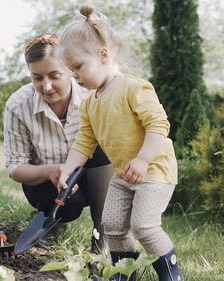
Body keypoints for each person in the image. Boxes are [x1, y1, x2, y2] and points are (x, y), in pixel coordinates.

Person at [56, 6, 184, 281]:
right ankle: (124, 274)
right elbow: (83, 144)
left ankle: (171, 275)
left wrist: (143, 160)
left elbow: (158, 125)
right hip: (123, 174)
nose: (75, 76)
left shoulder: (134, 88)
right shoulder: (90, 104)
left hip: (153, 170)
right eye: (70, 70)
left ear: (103, 55)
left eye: (78, 67)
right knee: (111, 225)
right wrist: (67, 171)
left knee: (144, 226)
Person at [3, 33, 112, 253]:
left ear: (71, 70)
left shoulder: (93, 95)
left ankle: (103, 238)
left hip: (94, 178)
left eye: (55, 75)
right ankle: (54, 225)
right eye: (37, 78)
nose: (47, 86)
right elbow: (15, 168)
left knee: (103, 151)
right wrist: (52, 171)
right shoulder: (18, 105)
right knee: (67, 206)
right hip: (47, 183)